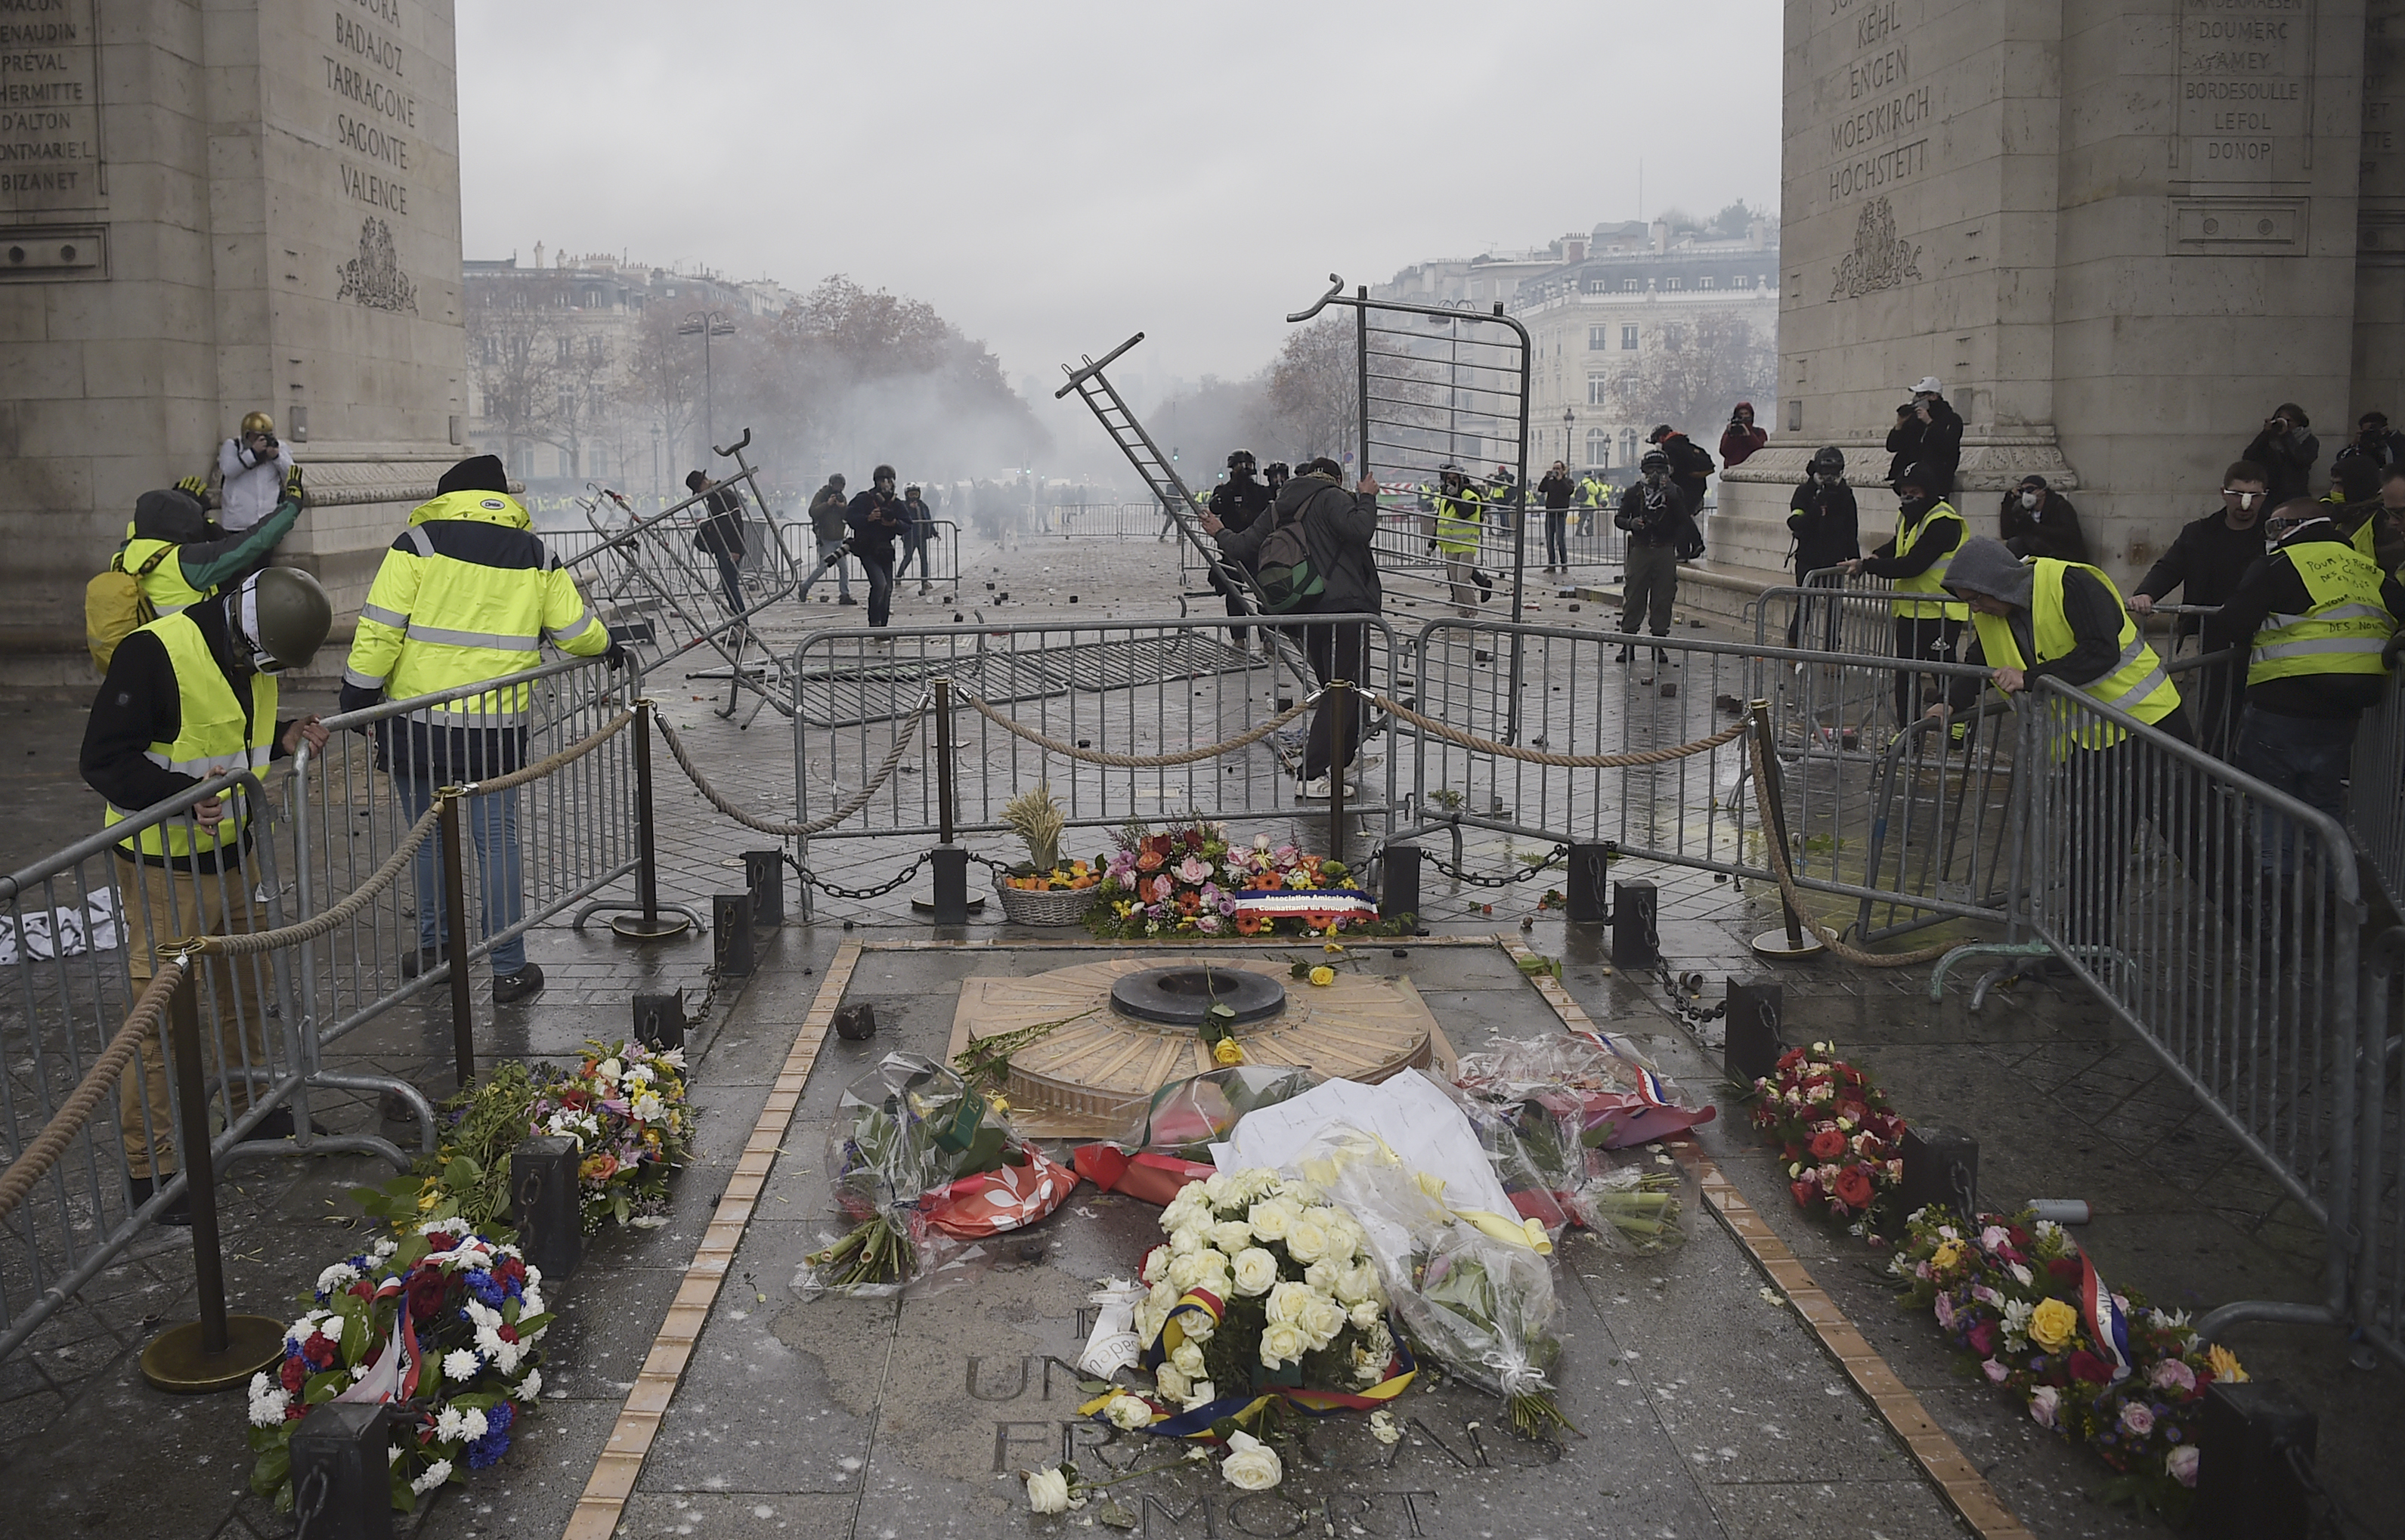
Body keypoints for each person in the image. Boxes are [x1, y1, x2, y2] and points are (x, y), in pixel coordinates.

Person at [82, 566, 333, 1223]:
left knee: (245, 992)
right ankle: (153, 1168)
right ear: (244, 627)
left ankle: (253, 1110)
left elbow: (229, 741)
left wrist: (282, 739)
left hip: (232, 855)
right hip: (164, 868)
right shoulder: (154, 654)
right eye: (265, 659)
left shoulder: (250, 651)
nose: (265, 671)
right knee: (160, 1020)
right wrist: (182, 799)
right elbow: (103, 760)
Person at [338, 453, 620, 1007]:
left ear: (448, 496)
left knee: (426, 842)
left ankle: (437, 952)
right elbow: (575, 632)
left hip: (418, 723)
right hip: (495, 729)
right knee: (497, 844)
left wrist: (357, 697)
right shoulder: (535, 554)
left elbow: (379, 631)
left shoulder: (417, 544)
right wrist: (608, 644)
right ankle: (509, 969)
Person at [1927, 538, 2190, 949]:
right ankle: (2084, 951)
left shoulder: (2071, 583)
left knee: (2200, 838)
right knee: (2092, 856)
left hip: (2148, 729)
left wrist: (2031, 679)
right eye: (1967, 602)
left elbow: (2100, 650)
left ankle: (2267, 927)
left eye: (1976, 599)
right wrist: (1951, 701)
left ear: (1999, 583)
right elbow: (1980, 658)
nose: (1974, 609)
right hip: (2086, 749)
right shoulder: (1993, 613)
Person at [2215, 498, 2405, 871]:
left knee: (2271, 809)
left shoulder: (2279, 563)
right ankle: (2335, 897)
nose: (2271, 535)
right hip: (2344, 711)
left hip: (2281, 704)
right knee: (2325, 810)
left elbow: (2233, 622)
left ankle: (2276, 897)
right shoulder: (2366, 567)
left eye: (2275, 526)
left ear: (2297, 526)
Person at [1200, 457, 1381, 797]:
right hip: (1341, 608)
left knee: (1340, 689)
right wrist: (1367, 497)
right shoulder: (1331, 497)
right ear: (1335, 478)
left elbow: (1242, 546)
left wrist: (1219, 531)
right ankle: (1311, 775)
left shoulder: (1279, 506)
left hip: (1301, 610)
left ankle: (1342, 760)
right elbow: (1360, 529)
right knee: (1340, 690)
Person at [2129, 462, 2276, 754]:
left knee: (2261, 711)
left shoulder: (2273, 535)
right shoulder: (2199, 533)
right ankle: (2214, 767)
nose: (2245, 503)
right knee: (2216, 708)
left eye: (2254, 495)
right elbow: (2170, 567)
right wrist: (2146, 592)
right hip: (2216, 632)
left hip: (2266, 634)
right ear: (2223, 493)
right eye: (2237, 494)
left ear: (2265, 496)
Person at [1842, 462, 1966, 726]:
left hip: (1941, 612)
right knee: (1905, 677)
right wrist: (1875, 557)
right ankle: (1909, 735)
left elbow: (1913, 564)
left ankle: (1958, 732)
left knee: (1944, 677)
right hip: (1911, 610)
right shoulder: (1909, 517)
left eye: (1915, 492)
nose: (1908, 498)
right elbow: (1897, 545)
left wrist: (1868, 566)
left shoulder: (1944, 522)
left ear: (1928, 491)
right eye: (1904, 492)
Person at [112, 475, 305, 622]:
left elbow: (148, 524)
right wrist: (291, 507)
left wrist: (180, 503)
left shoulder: (122, 555)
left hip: (141, 649)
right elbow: (252, 541)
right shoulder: (185, 561)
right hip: (181, 652)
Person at [1616, 450, 1695, 675]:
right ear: (1644, 471)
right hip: (1641, 548)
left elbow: (1684, 521)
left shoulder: (1674, 493)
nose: (1655, 474)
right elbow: (1619, 518)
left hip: (1664, 548)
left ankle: (1658, 644)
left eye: (1661, 469)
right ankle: (1628, 643)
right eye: (1651, 469)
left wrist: (1674, 498)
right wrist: (1632, 524)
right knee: (1634, 595)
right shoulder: (1635, 492)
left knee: (1663, 597)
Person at [1785, 447, 1859, 649]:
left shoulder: (1845, 494)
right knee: (1805, 605)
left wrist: (1855, 560)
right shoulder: (1804, 492)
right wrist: (1816, 509)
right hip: (1808, 558)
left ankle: (1831, 650)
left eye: (1834, 471)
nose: (1830, 476)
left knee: (1835, 608)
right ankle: (1793, 644)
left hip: (1836, 560)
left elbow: (1851, 530)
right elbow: (1795, 523)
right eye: (1826, 471)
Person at [1206, 450, 1274, 619]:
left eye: (1248, 466)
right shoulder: (1224, 491)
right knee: (1234, 595)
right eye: (1240, 466)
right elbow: (1215, 507)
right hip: (1231, 549)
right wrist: (1233, 485)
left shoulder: (1260, 492)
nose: (1245, 469)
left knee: (1264, 593)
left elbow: (1270, 511)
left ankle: (1267, 630)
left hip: (1256, 549)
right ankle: (1239, 631)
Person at [845, 464, 910, 629]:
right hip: (867, 548)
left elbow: (907, 524)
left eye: (889, 480)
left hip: (885, 549)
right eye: (882, 480)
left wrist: (894, 523)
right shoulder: (864, 499)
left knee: (888, 589)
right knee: (880, 585)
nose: (886, 484)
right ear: (876, 482)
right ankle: (874, 623)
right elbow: (850, 516)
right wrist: (868, 518)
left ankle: (883, 626)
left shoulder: (895, 503)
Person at [216, 412, 295, 534]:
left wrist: (276, 457)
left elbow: (292, 474)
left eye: (265, 436)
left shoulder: (279, 447)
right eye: (256, 436)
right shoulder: (233, 446)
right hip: (238, 523)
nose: (261, 440)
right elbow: (229, 471)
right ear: (246, 434)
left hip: (267, 523)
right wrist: (252, 454)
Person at [686, 468, 748, 615]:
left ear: (704, 482)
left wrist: (736, 549)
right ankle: (738, 621)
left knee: (731, 586)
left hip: (729, 548)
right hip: (724, 546)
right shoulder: (716, 497)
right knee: (728, 587)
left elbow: (735, 523)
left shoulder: (723, 496)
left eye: (699, 490)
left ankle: (741, 621)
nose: (699, 494)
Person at [1431, 464, 1486, 618]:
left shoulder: (1470, 496)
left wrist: (1455, 497)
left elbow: (1465, 513)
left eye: (1455, 478)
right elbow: (1440, 522)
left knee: (1463, 580)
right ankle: (1462, 614)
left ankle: (1473, 611)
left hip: (1466, 545)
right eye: (1449, 479)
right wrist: (1432, 544)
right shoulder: (1445, 499)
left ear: (1461, 480)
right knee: (1455, 583)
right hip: (1449, 546)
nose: (1452, 481)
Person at [2242, 404, 2320, 507]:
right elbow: (2249, 457)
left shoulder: (2309, 440)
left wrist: (2287, 436)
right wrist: (2265, 434)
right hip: (2270, 495)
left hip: (2295, 495)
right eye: (2281, 420)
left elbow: (2302, 460)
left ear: (2299, 422)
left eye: (2289, 421)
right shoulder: (2269, 439)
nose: (2284, 423)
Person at [1999, 475, 2088, 562]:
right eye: (2023, 491)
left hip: (2060, 552)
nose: (2026, 494)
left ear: (2043, 491)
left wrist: (2034, 527)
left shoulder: (2060, 506)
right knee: (2015, 543)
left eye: (2030, 489)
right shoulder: (2024, 510)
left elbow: (2071, 536)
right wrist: (2008, 502)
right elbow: (2007, 534)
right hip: (2037, 552)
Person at [803, 474, 854, 605]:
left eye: (840, 485)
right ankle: (805, 586)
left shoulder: (842, 497)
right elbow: (813, 512)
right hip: (825, 538)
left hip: (839, 538)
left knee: (844, 568)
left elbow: (847, 516)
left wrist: (842, 507)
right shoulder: (822, 495)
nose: (838, 488)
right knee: (823, 567)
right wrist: (828, 504)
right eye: (836, 485)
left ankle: (845, 594)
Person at [1647, 424, 1715, 512]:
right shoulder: (1687, 445)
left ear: (1661, 438)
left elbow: (1669, 471)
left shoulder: (1669, 447)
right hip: (1696, 495)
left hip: (1680, 495)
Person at [2333, 410, 2405, 475]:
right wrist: (2354, 444)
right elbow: (2342, 461)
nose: (2369, 436)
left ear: (2384, 430)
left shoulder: (2399, 444)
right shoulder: (2364, 447)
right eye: (2365, 433)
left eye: (2371, 432)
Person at [1536, 459, 1576, 573]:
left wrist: (1560, 479)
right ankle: (1551, 564)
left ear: (1563, 470)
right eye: (1554, 468)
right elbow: (1541, 489)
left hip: (1561, 513)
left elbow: (1569, 491)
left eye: (1558, 468)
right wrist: (1546, 477)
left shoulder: (1568, 481)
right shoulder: (1550, 481)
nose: (1556, 470)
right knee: (1549, 540)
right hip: (1550, 513)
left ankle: (1564, 564)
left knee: (1560, 539)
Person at [899, 484, 938, 594]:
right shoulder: (904, 505)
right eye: (911, 494)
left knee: (924, 559)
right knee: (908, 557)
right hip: (909, 537)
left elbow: (928, 518)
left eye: (916, 494)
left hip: (922, 537)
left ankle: (924, 581)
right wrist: (910, 508)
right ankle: (898, 576)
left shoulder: (922, 505)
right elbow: (902, 516)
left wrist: (933, 531)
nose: (914, 497)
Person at [1718, 402, 1766, 468]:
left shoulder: (1759, 432)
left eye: (1746, 414)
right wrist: (1730, 435)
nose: (1744, 417)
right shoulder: (1729, 432)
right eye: (1741, 414)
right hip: (1733, 468)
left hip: (1752, 468)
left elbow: (1760, 452)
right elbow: (1724, 452)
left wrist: (1749, 435)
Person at [1577, 466, 1611, 536]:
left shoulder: (1581, 482)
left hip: (1582, 503)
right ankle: (1590, 531)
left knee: (1582, 519)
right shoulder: (1590, 483)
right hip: (1590, 503)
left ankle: (1579, 531)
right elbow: (1595, 491)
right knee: (1592, 519)